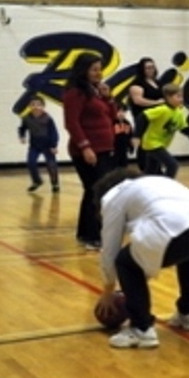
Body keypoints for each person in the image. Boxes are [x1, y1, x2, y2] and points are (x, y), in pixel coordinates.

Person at [94, 167, 189, 349]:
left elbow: (110, 250)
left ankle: (141, 329)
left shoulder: (113, 196)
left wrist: (108, 291)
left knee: (124, 262)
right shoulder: (158, 182)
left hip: (183, 229)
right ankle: (188, 313)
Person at [63, 53, 119, 250]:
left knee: (94, 191)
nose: (98, 73)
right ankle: (91, 235)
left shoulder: (95, 91)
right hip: (88, 150)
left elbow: (112, 116)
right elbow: (72, 123)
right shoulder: (75, 93)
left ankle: (86, 233)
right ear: (83, 70)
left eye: (99, 69)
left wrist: (109, 98)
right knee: (96, 190)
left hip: (104, 148)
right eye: (94, 69)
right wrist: (85, 146)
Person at [139, 83, 189, 178]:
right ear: (168, 97)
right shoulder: (163, 109)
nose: (181, 99)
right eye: (178, 96)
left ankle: (139, 187)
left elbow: (185, 129)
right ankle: (166, 187)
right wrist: (136, 136)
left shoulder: (178, 112)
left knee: (150, 171)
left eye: (182, 96)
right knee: (172, 165)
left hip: (160, 144)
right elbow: (142, 116)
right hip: (152, 143)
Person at [18, 96, 60, 193]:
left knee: (51, 165)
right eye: (33, 105)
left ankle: (55, 183)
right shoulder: (27, 118)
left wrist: (54, 145)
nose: (36, 107)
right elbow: (22, 128)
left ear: (43, 106)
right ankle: (37, 181)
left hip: (48, 144)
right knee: (31, 162)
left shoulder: (48, 118)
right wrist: (22, 136)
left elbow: (53, 132)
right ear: (29, 106)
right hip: (34, 145)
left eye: (38, 105)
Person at [127, 57, 163, 170]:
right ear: (142, 69)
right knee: (144, 143)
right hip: (144, 117)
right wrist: (156, 103)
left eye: (152, 67)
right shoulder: (137, 84)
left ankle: (156, 166)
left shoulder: (157, 82)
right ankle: (145, 167)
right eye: (148, 68)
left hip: (156, 118)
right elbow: (138, 100)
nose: (151, 70)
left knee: (156, 142)